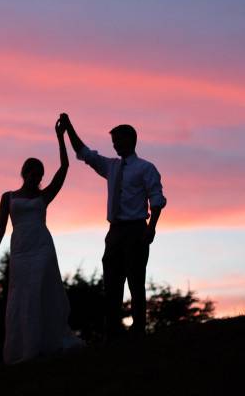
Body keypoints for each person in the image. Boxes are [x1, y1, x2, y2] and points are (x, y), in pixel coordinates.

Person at [58, 113, 166, 341]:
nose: (114, 145)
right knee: (112, 285)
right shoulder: (112, 167)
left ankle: (138, 332)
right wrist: (69, 129)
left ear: (130, 141)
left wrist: (151, 228)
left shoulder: (146, 168)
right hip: (115, 232)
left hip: (136, 229)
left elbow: (156, 198)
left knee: (136, 283)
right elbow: (85, 154)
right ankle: (113, 334)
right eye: (113, 142)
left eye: (117, 141)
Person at [0, 118, 84, 364]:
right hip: (20, 250)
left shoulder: (44, 196)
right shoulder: (7, 197)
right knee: (22, 294)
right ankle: (26, 346)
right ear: (24, 173)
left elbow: (64, 168)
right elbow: (0, 226)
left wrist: (60, 138)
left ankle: (47, 341)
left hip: (42, 247)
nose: (36, 177)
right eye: (32, 172)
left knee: (40, 291)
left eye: (39, 174)